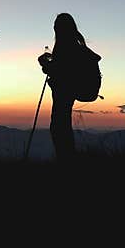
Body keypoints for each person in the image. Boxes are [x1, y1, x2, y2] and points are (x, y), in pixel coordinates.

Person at [37, 13, 101, 162]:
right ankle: (67, 158)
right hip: (71, 89)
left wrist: (45, 65)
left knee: (59, 126)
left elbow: (62, 71)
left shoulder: (65, 46)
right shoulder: (75, 46)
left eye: (56, 27)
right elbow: (64, 69)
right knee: (61, 124)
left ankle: (66, 159)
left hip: (65, 91)